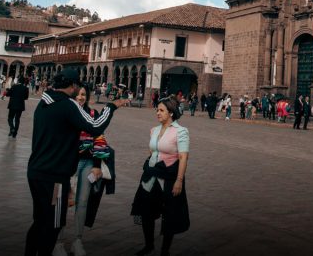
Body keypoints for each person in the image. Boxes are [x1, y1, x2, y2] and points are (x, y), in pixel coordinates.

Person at [24, 70, 126, 256]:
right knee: (53, 225)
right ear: (72, 86)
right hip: (55, 177)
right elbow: (95, 126)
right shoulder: (67, 105)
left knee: (40, 221)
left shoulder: (44, 103)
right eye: (77, 87)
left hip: (36, 172)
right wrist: (111, 106)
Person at [55, 86, 115, 256]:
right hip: (67, 164)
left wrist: (97, 165)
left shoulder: (93, 115)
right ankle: (58, 243)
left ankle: (77, 240)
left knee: (82, 202)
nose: (80, 97)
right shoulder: (67, 113)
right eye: (78, 94)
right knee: (62, 202)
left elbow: (99, 138)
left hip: (88, 163)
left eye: (83, 95)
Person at [131, 97, 190, 256]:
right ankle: (149, 245)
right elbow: (152, 151)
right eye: (157, 110)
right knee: (146, 212)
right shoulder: (154, 130)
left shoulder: (180, 131)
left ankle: (165, 250)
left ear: (171, 112)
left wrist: (179, 180)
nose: (158, 113)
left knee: (168, 214)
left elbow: (183, 157)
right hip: (151, 175)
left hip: (169, 177)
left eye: (161, 110)